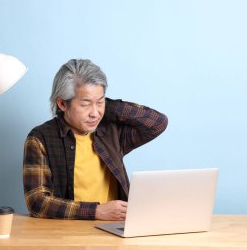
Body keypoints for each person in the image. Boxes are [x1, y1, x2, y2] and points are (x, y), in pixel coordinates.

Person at [23, 59, 168, 220]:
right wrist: (96, 211)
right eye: (85, 104)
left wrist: (102, 103)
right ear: (62, 103)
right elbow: (37, 202)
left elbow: (157, 123)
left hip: (115, 228)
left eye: (100, 102)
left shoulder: (111, 132)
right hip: (66, 234)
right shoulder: (40, 138)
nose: (95, 113)